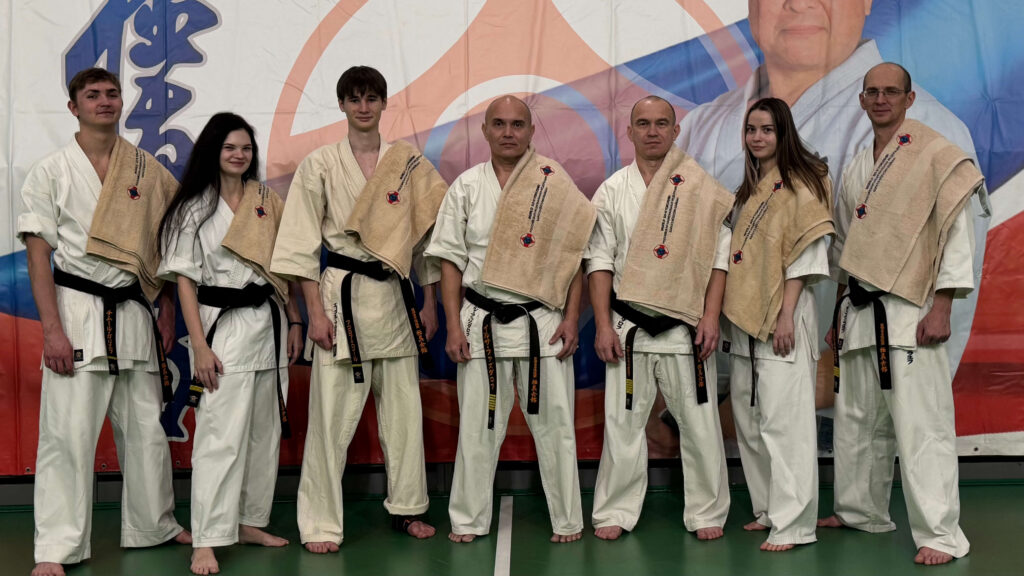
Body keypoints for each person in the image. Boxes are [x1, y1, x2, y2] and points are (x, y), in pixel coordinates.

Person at [679, 0, 987, 377]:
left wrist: (778, 390)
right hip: (706, 377)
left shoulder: (924, 128)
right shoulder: (700, 126)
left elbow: (930, 299)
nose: (799, 3)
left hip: (828, 379)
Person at [18, 67, 190, 576]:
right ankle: (57, 546)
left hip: (133, 312)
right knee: (67, 436)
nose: (105, 101)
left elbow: (167, 244)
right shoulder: (51, 170)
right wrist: (52, 330)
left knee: (146, 430)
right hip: (77, 312)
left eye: (112, 93)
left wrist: (166, 307)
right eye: (92, 95)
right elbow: (38, 255)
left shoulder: (145, 169)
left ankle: (154, 524)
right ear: (74, 107)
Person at [270, 65, 448, 553]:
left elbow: (427, 240)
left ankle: (409, 508)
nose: (364, 107)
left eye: (372, 98)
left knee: (404, 414)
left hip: (395, 299)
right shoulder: (321, 164)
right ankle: (320, 524)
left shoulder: (407, 163)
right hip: (340, 299)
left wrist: (430, 302)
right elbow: (301, 245)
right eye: (355, 99)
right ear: (342, 105)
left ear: (385, 103)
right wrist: (313, 312)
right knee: (330, 419)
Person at [820, 62, 982, 566]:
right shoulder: (857, 165)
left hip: (911, 309)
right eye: (872, 92)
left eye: (891, 91)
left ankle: (941, 534)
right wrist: (839, 310)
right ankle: (860, 510)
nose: (881, 99)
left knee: (920, 425)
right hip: (859, 311)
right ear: (861, 100)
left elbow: (955, 233)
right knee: (857, 419)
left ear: (910, 99)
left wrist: (943, 306)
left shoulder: (936, 155)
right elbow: (846, 246)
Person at [426, 95, 594, 544]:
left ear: (531, 131)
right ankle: (468, 519)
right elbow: (450, 261)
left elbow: (575, 255)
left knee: (556, 428)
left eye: (517, 124)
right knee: (477, 428)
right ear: (484, 130)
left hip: (542, 323)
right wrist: (453, 326)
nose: (507, 132)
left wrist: (572, 317)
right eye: (498, 124)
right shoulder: (467, 186)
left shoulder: (553, 182)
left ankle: (567, 520)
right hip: (481, 319)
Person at [157, 112, 304, 575]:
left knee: (264, 433)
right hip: (222, 329)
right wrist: (199, 346)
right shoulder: (194, 208)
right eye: (229, 148)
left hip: (269, 324)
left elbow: (285, 266)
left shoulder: (265, 200)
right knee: (220, 438)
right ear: (213, 152)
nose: (239, 155)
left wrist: (295, 319)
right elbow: (183, 281)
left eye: (245, 148)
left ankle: (249, 521)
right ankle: (206, 537)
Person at [585, 96, 732, 542]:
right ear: (629, 131)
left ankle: (706, 510)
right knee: (624, 423)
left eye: (662, 123)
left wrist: (711, 316)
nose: (653, 131)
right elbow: (599, 261)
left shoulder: (699, 186)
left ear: (675, 131)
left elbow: (718, 258)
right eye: (644, 123)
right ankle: (615, 509)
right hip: (628, 326)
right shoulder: (613, 190)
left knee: (700, 424)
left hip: (685, 326)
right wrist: (603, 324)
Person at [721, 97, 833, 551]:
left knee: (786, 425)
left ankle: (795, 524)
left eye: (767, 129)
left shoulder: (804, 182)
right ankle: (769, 509)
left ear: (783, 132)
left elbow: (807, 253)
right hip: (746, 322)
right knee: (752, 421)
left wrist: (786, 313)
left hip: (784, 315)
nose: (757, 137)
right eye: (751, 129)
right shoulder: (749, 189)